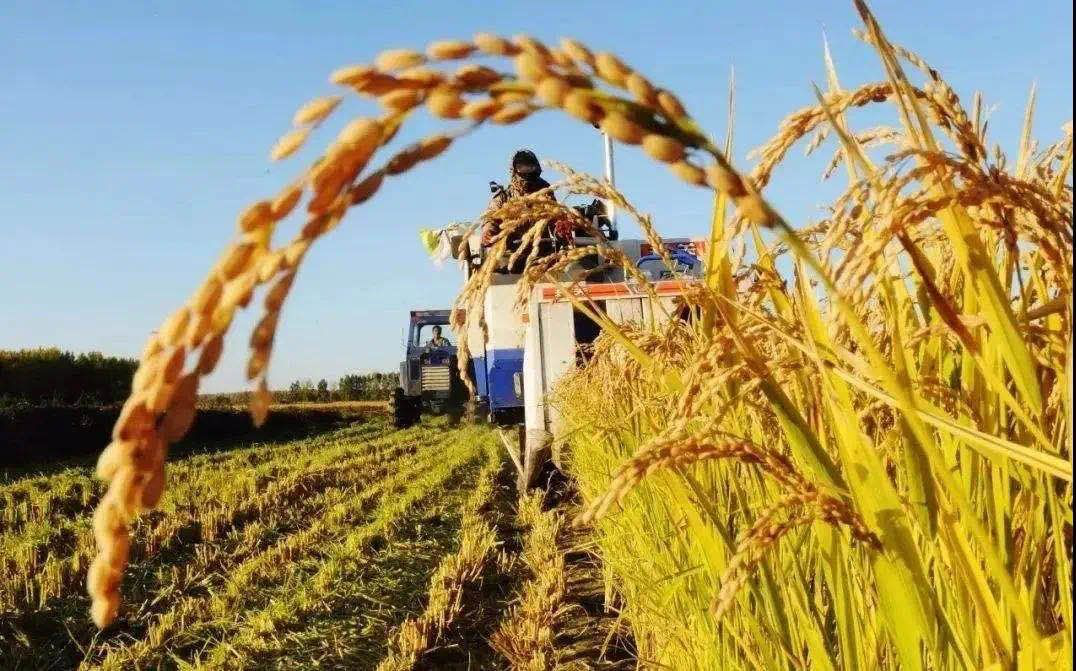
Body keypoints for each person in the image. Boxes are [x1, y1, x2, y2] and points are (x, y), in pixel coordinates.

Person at [481, 149, 556, 248]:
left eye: (529, 167)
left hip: (541, 250)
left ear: (536, 168)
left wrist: (561, 226)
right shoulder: (505, 196)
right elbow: (491, 217)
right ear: (515, 169)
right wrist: (488, 231)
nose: (526, 170)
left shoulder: (545, 193)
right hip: (511, 251)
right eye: (521, 167)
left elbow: (555, 216)